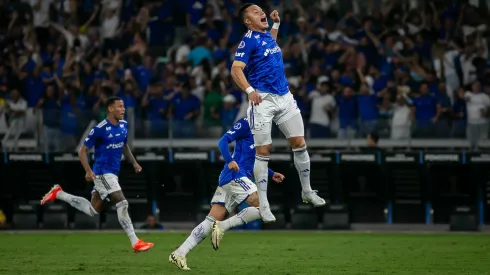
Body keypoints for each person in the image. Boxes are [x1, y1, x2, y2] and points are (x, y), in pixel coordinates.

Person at [230, 3, 325, 222]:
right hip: (263, 100)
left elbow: (271, 45)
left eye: (260, 10)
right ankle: (263, 205)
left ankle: (307, 192)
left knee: (300, 143)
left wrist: (276, 24)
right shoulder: (248, 40)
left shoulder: (265, 36)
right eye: (255, 12)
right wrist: (250, 90)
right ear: (247, 21)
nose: (261, 12)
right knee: (263, 150)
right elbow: (236, 69)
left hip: (284, 97)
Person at [40, 96, 153, 252]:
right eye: (120, 106)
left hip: (113, 173)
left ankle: (59, 194)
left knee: (93, 210)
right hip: (102, 173)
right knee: (122, 202)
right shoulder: (99, 129)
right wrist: (88, 170)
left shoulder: (124, 125)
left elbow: (124, 145)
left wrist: (134, 163)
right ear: (110, 108)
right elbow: (82, 151)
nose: (123, 109)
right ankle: (135, 242)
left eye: (123, 106)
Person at [169, 117, 285, 270]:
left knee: (210, 222)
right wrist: (229, 160)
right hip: (234, 175)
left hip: (236, 176)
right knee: (263, 206)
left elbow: (254, 160)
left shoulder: (264, 128)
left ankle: (179, 253)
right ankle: (223, 226)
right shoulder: (246, 123)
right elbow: (223, 141)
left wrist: (270, 173)